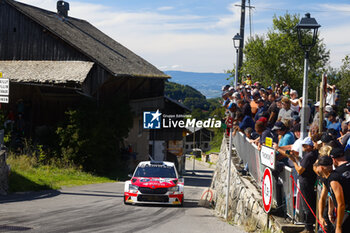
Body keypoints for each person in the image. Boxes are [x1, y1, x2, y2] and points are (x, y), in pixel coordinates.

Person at [315, 148, 350, 233]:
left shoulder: (333, 180)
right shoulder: (326, 178)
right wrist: (321, 216)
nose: (316, 169)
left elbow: (341, 204)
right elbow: (322, 198)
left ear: (321, 168)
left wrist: (338, 227)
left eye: (317, 166)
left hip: (346, 212)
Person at [289, 137, 318, 233]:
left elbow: (300, 170)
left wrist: (293, 161)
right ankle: (309, 226)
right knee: (308, 203)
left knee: (307, 205)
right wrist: (296, 158)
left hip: (306, 182)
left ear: (309, 146)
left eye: (304, 145)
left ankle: (308, 228)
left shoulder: (309, 155)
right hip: (308, 181)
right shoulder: (311, 154)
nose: (302, 147)